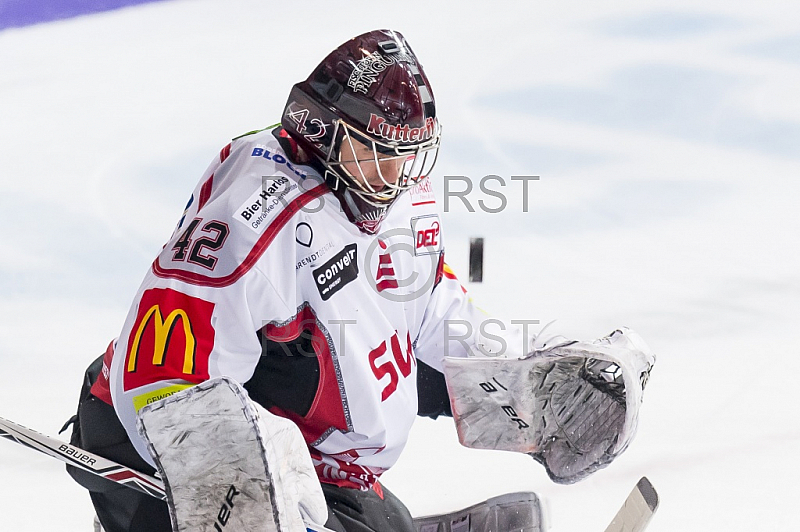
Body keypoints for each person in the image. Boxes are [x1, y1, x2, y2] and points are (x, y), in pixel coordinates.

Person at [66, 29, 654, 532]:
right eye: (378, 155)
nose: (396, 176)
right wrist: (234, 484)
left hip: (310, 457)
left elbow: (429, 323)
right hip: (156, 445)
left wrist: (527, 394)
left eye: (409, 156)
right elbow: (162, 375)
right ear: (322, 132)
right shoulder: (258, 212)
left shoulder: (399, 198)